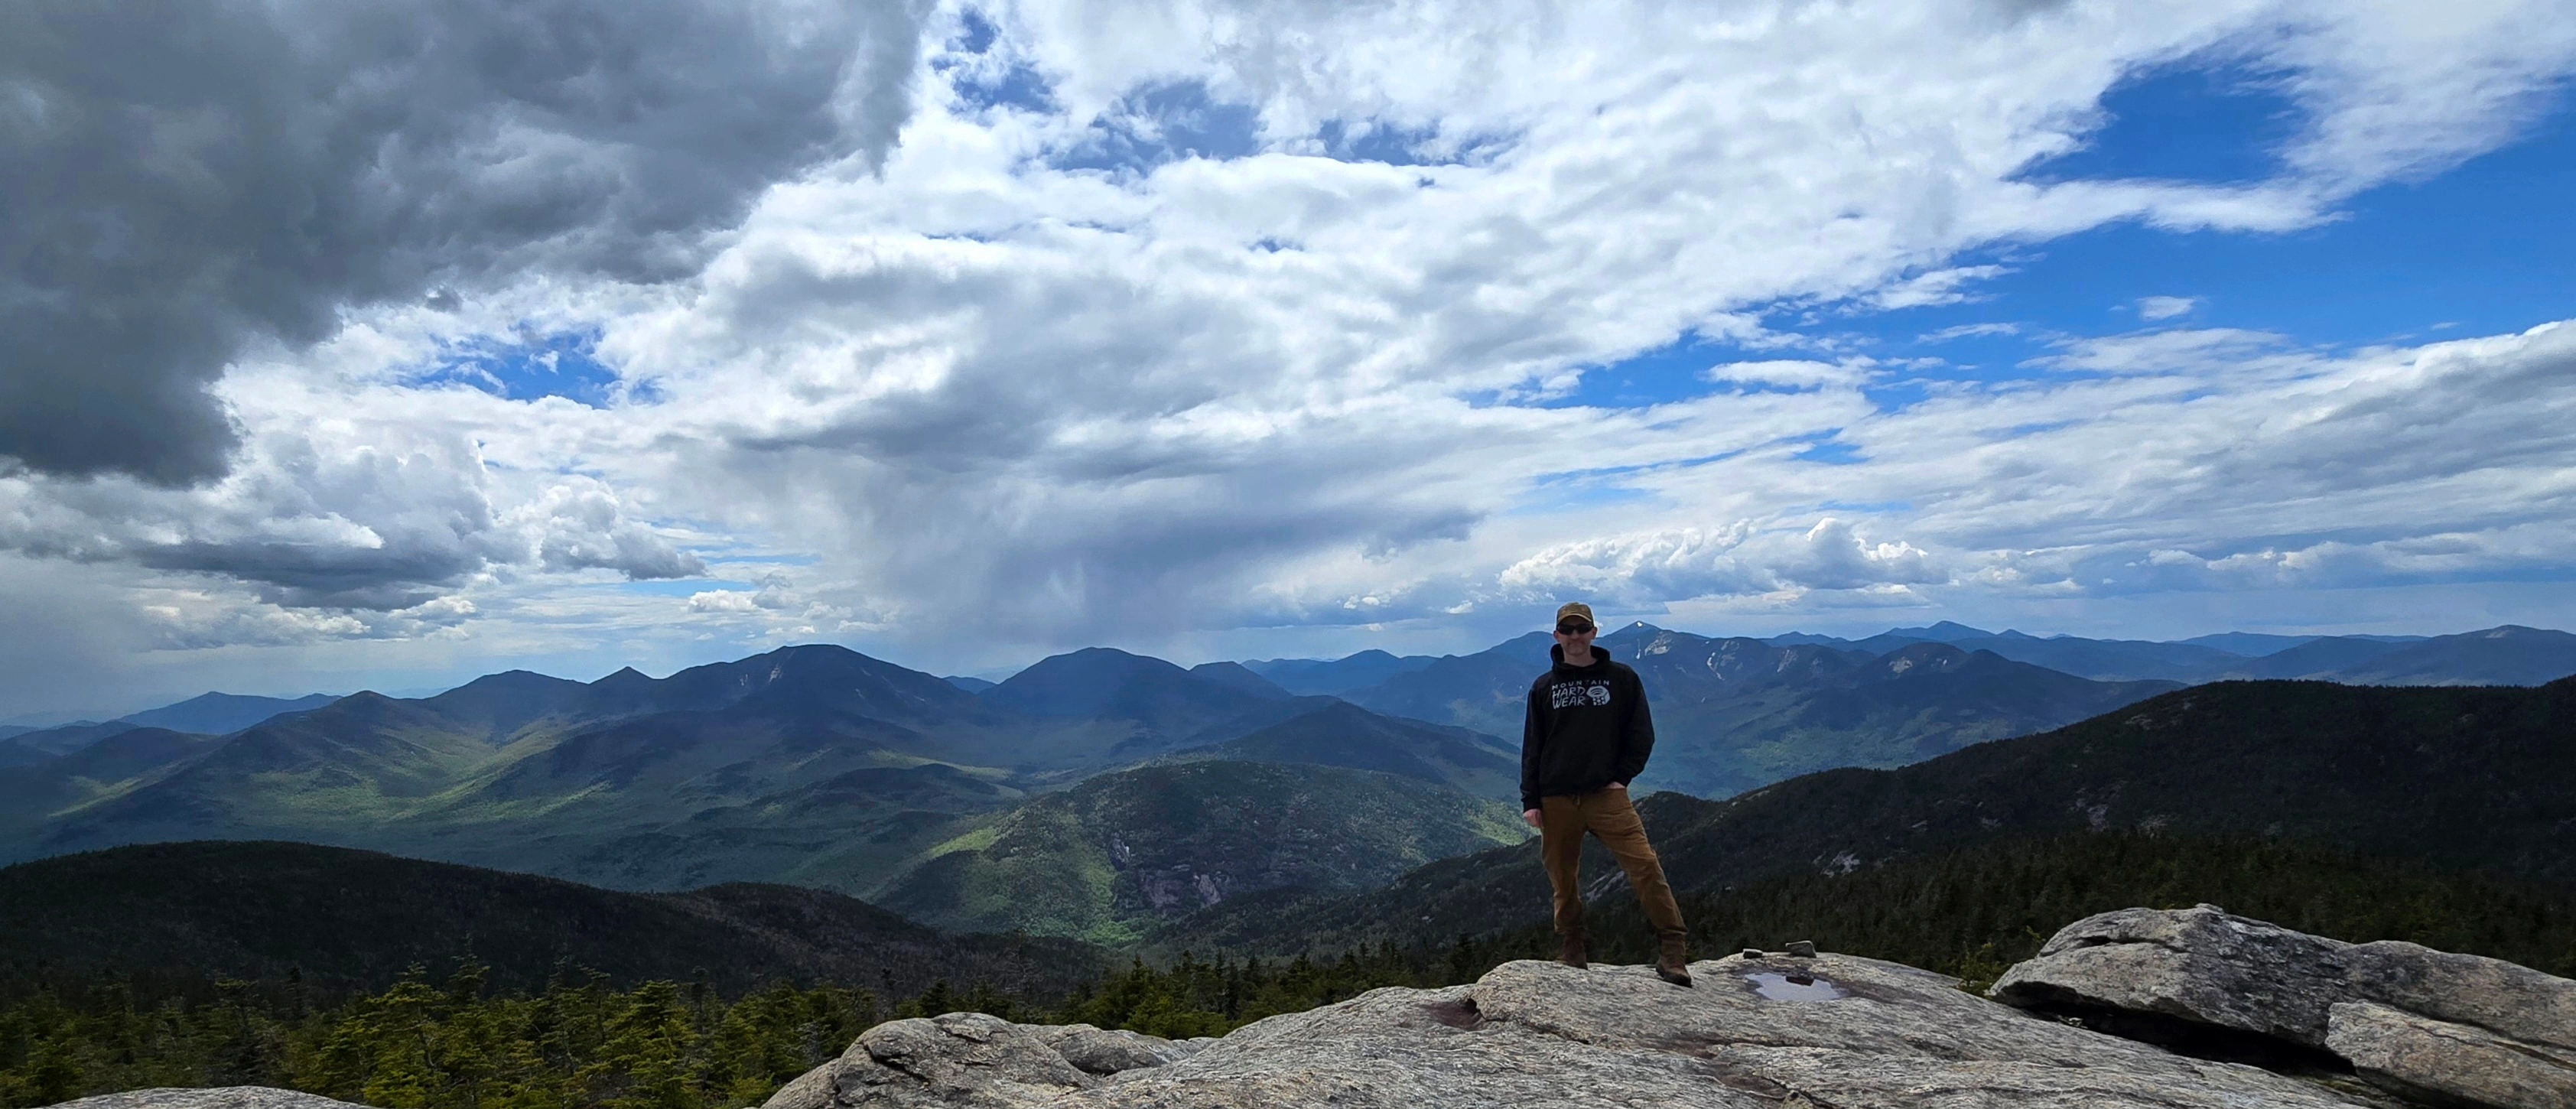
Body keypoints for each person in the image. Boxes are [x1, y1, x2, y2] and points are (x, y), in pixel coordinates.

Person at [1521, 601, 1692, 986]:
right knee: (1563, 879)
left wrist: (1622, 777)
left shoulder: (1621, 678)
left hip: (1606, 796)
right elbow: (1534, 746)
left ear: (1595, 633)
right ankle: (1572, 948)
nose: (1576, 637)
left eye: (1583, 629)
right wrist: (1530, 800)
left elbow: (1641, 733)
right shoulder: (1544, 687)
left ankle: (1673, 951)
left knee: (1645, 866)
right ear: (1557, 636)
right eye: (1569, 630)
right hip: (1556, 797)